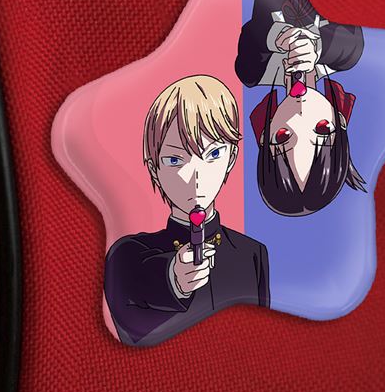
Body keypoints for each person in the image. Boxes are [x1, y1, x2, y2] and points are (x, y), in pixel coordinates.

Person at [104, 75, 270, 346]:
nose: (196, 175)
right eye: (174, 159)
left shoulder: (252, 254)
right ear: (154, 168)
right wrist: (173, 278)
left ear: (232, 158)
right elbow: (135, 298)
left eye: (213, 154)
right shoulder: (128, 254)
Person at [235, 0, 366, 217]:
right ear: (340, 122)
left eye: (283, 136)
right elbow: (352, 42)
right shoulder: (345, 55)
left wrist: (279, 37)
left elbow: (251, 39)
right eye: (322, 129)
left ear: (265, 134)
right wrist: (317, 46)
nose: (299, 116)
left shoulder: (253, 71)